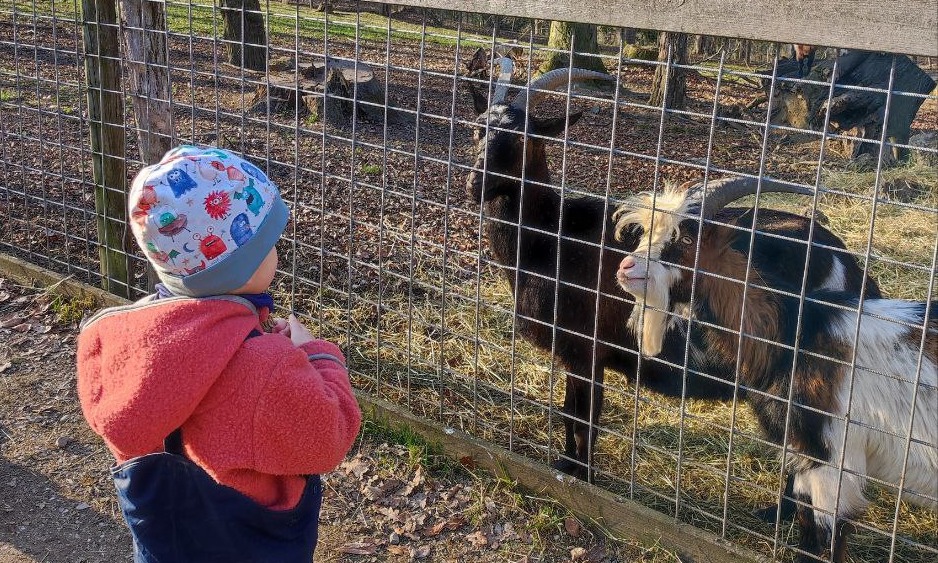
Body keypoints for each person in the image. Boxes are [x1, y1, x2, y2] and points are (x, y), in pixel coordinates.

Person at [76, 145, 361, 563]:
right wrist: (316, 355)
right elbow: (329, 438)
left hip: (168, 545)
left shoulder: (121, 342)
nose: (278, 253)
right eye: (269, 243)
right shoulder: (266, 366)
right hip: (251, 544)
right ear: (240, 262)